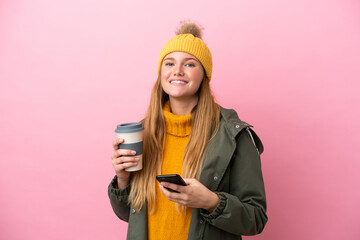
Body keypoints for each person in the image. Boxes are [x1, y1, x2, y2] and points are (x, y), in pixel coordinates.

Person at [108, 22, 268, 240]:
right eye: (169, 63)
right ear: (161, 73)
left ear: (204, 75)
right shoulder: (143, 134)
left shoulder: (232, 135)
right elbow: (129, 215)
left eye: (190, 64)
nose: (177, 71)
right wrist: (123, 179)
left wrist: (211, 202)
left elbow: (255, 218)